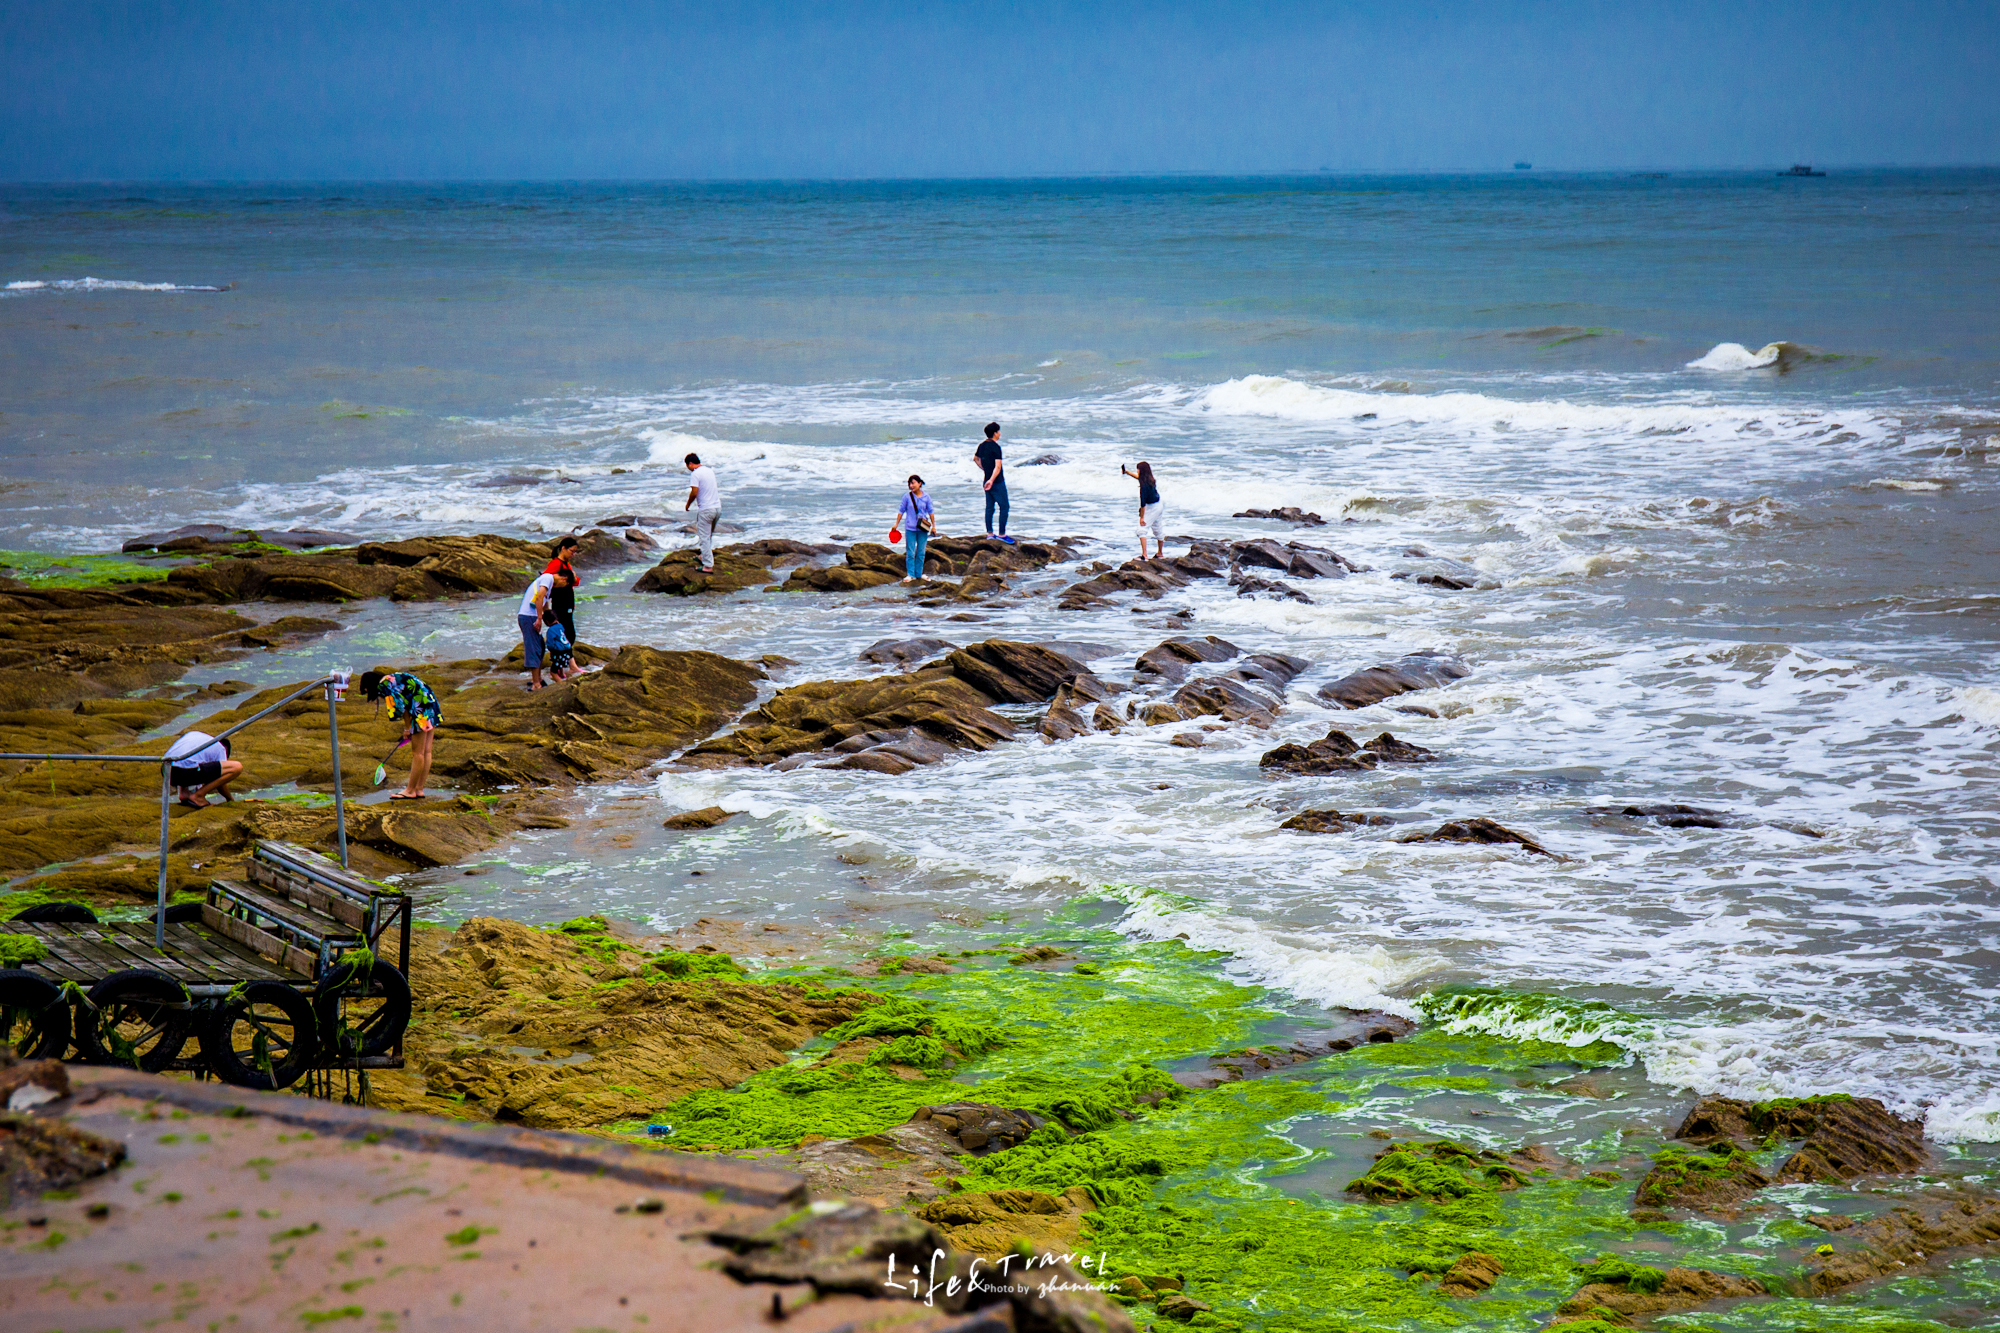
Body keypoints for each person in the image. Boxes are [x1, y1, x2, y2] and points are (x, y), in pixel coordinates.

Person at [360, 670, 440, 800]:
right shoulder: (393, 678)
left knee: (418, 753)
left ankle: (410, 790)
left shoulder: (385, 684)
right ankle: (419, 789)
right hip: (430, 704)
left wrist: (408, 728)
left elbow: (401, 707)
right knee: (427, 751)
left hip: (419, 710)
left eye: (367, 690)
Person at [517, 566, 567, 691]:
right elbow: (539, 598)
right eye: (565, 584)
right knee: (534, 648)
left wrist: (552, 620)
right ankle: (536, 684)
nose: (562, 586)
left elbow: (544, 604)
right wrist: (540, 618)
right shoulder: (547, 578)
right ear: (563, 578)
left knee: (540, 647)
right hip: (529, 616)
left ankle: (538, 679)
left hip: (532, 616)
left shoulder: (549, 584)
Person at [165, 729, 241, 809]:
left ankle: (184, 793)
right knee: (237, 767)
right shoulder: (220, 748)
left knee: (191, 761)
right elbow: (221, 781)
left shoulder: (195, 734)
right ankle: (198, 796)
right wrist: (230, 799)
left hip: (167, 771)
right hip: (184, 772)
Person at [895, 474, 942, 582]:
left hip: (922, 528)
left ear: (920, 483)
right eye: (909, 484)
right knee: (910, 552)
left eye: (913, 483)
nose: (911, 486)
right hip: (910, 528)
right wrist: (896, 525)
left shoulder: (926, 497)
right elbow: (901, 511)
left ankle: (919, 574)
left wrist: (934, 526)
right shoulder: (907, 497)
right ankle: (910, 574)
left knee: (921, 553)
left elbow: (930, 512)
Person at [973, 422, 1013, 543]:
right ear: (995, 433)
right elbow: (998, 466)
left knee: (990, 507)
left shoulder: (982, 445)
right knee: (1004, 506)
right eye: (998, 431)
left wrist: (985, 470)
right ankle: (1002, 534)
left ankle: (990, 533)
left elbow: (976, 459)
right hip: (996, 481)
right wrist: (992, 479)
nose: (1000, 433)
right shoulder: (996, 447)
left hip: (986, 480)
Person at [684, 452, 722, 573]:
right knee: (708, 535)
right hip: (717, 508)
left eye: (687, 466)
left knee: (704, 538)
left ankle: (708, 566)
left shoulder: (695, 474)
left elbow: (694, 492)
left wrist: (688, 504)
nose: (688, 468)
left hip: (706, 510)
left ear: (690, 464)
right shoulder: (709, 471)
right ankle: (703, 556)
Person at [1121, 460, 1165, 560]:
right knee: (1158, 529)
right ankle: (1160, 553)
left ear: (1141, 471)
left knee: (1141, 530)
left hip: (1151, 507)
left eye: (1138, 469)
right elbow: (1138, 478)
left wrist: (1142, 518)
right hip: (1159, 505)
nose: (1137, 471)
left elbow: (1143, 503)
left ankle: (1144, 556)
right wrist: (1127, 473)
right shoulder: (1151, 480)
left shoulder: (1144, 487)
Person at [543, 535, 579, 646]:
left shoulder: (566, 564)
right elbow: (544, 579)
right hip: (560, 603)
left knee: (569, 633)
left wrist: (573, 578)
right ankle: (562, 653)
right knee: (566, 633)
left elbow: (576, 581)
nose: (573, 554)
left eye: (575, 552)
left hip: (568, 603)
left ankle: (564, 653)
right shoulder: (556, 563)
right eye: (572, 551)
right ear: (563, 548)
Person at [541, 613, 577, 680]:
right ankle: (562, 674)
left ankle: (560, 683)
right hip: (568, 650)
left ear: (547, 622)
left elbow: (550, 644)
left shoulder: (550, 630)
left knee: (553, 672)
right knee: (560, 663)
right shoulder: (560, 625)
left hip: (559, 653)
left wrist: (550, 649)